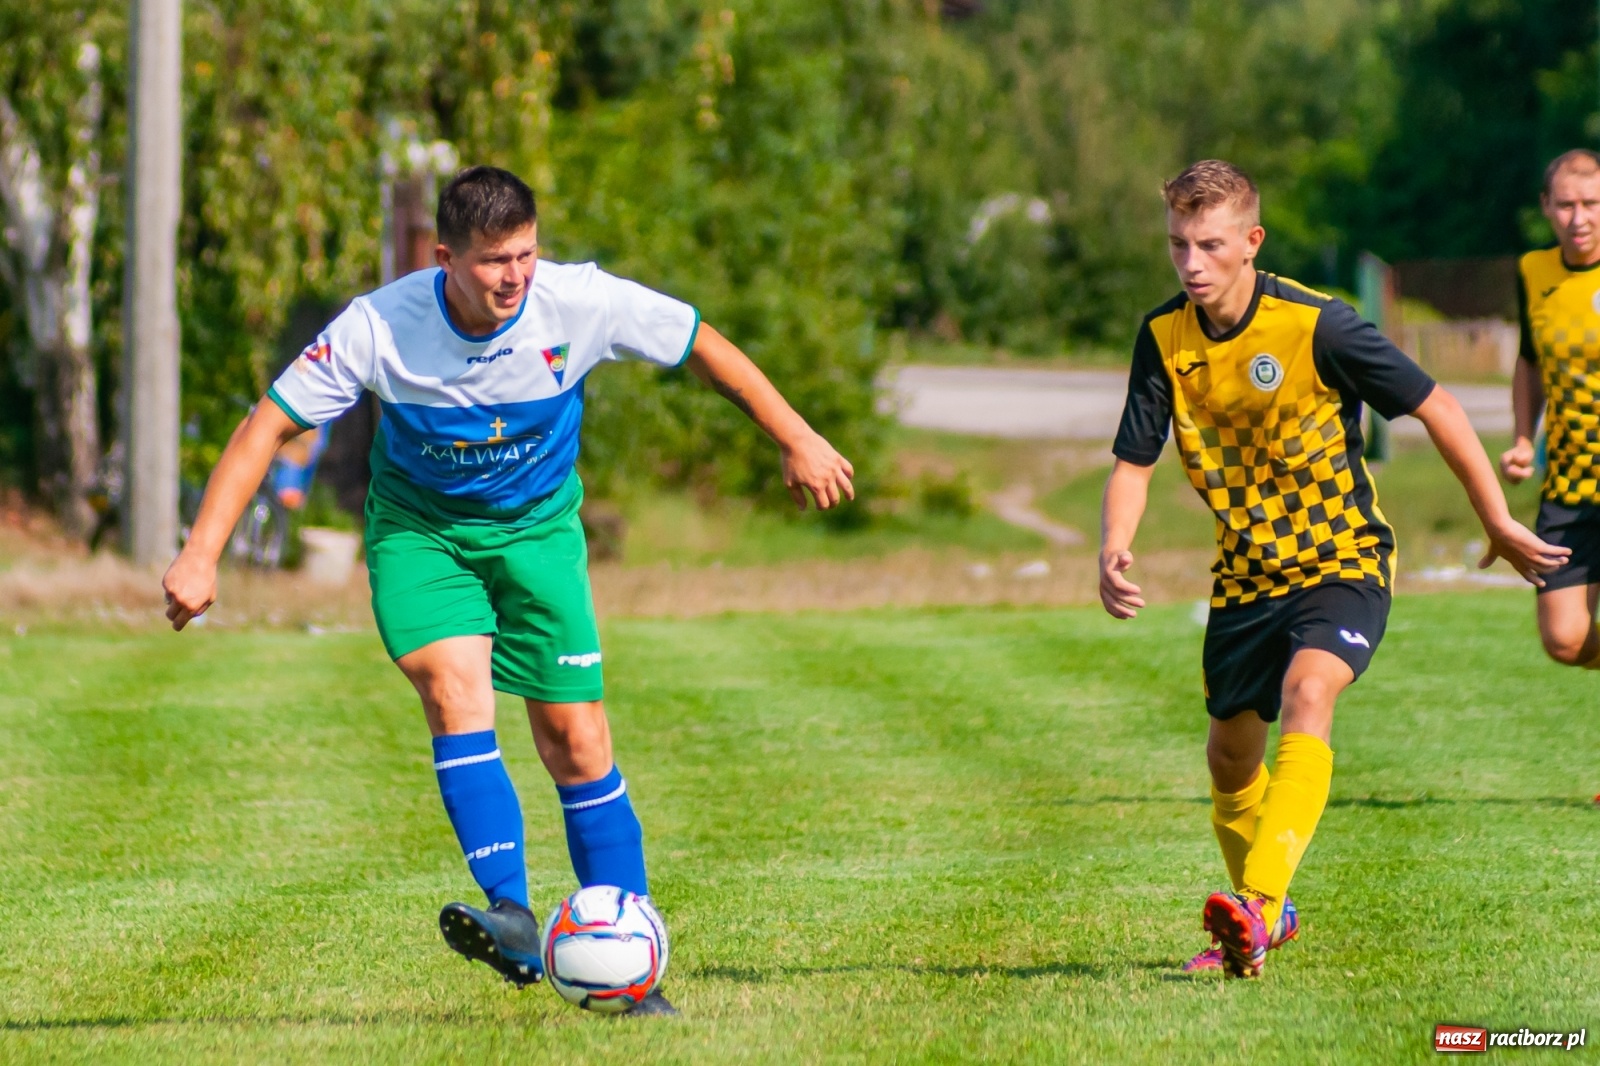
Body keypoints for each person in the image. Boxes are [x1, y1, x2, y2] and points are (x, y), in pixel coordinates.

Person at [161, 166, 856, 1014]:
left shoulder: (581, 302)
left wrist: (797, 435)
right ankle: (514, 916)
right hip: (422, 535)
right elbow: (268, 424)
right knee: (456, 692)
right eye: (494, 261)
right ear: (447, 257)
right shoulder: (379, 327)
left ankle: (630, 972)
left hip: (538, 535)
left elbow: (700, 343)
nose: (515, 276)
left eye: (526, 254)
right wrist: (201, 554)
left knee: (576, 737)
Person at [1100, 159, 1567, 978]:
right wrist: (1113, 545)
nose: (1192, 264)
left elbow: (1439, 407)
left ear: (1252, 242)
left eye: (1209, 245)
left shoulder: (1319, 325)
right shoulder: (1163, 338)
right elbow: (1134, 461)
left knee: (1309, 692)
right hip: (1245, 577)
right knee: (1230, 760)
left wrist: (1496, 517)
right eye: (1178, 245)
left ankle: (1259, 904)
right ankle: (1262, 921)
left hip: (1340, 559)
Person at [1500, 149, 1600, 673]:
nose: (1578, 218)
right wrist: (1522, 437)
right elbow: (1530, 359)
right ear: (1546, 206)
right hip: (1568, 483)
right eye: (1565, 205)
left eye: (1590, 203)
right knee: (1564, 640)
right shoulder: (1533, 271)